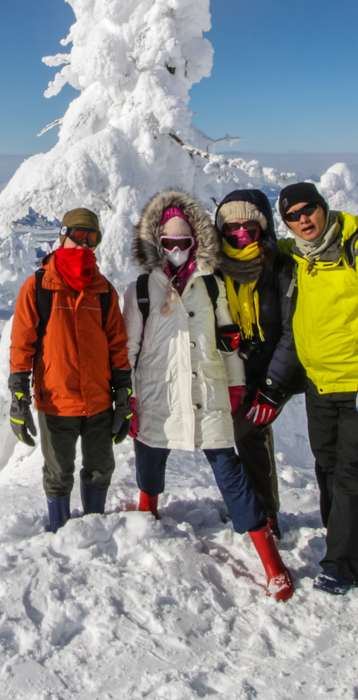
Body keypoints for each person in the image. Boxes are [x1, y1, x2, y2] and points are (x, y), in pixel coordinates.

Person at [123, 189, 293, 601]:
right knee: (149, 453)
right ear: (157, 244)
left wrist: (234, 384)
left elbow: (227, 341)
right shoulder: (142, 290)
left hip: (207, 388)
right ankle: (148, 509)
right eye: (169, 243)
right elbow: (127, 349)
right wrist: (126, 395)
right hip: (157, 390)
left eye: (184, 243)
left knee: (228, 469)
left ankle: (271, 562)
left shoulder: (212, 286)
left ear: (195, 243)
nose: (177, 250)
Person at [276, 182, 358, 595]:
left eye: (308, 209)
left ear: (324, 207)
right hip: (321, 384)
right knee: (329, 467)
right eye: (293, 215)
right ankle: (346, 536)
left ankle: (343, 564)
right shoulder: (298, 257)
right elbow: (247, 248)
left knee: (355, 473)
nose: (303, 219)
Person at [8, 207, 133, 533]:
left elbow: (118, 346)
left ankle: (93, 528)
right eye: (78, 235)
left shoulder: (103, 290)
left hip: (98, 401)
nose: (84, 244)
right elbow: (22, 345)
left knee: (101, 467)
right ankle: (59, 529)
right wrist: (18, 395)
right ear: (63, 236)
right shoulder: (38, 287)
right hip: (56, 399)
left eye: (91, 238)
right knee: (58, 471)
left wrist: (124, 394)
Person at [213, 189, 302, 541]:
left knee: (249, 431)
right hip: (236, 371)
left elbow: (291, 330)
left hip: (274, 371)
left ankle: (264, 515)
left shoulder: (279, 266)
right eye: (230, 227)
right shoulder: (216, 265)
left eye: (247, 226)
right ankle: (253, 507)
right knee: (240, 434)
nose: (238, 233)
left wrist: (272, 386)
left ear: (262, 227)